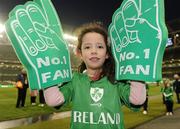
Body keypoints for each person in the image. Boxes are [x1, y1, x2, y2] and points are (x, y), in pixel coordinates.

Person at [43, 22, 146, 129]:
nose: (94, 51)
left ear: (107, 54)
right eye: (87, 47)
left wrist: (136, 64)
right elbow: (53, 100)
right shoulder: (75, 80)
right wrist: (46, 68)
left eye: (100, 46)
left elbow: (137, 99)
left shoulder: (116, 81)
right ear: (80, 53)